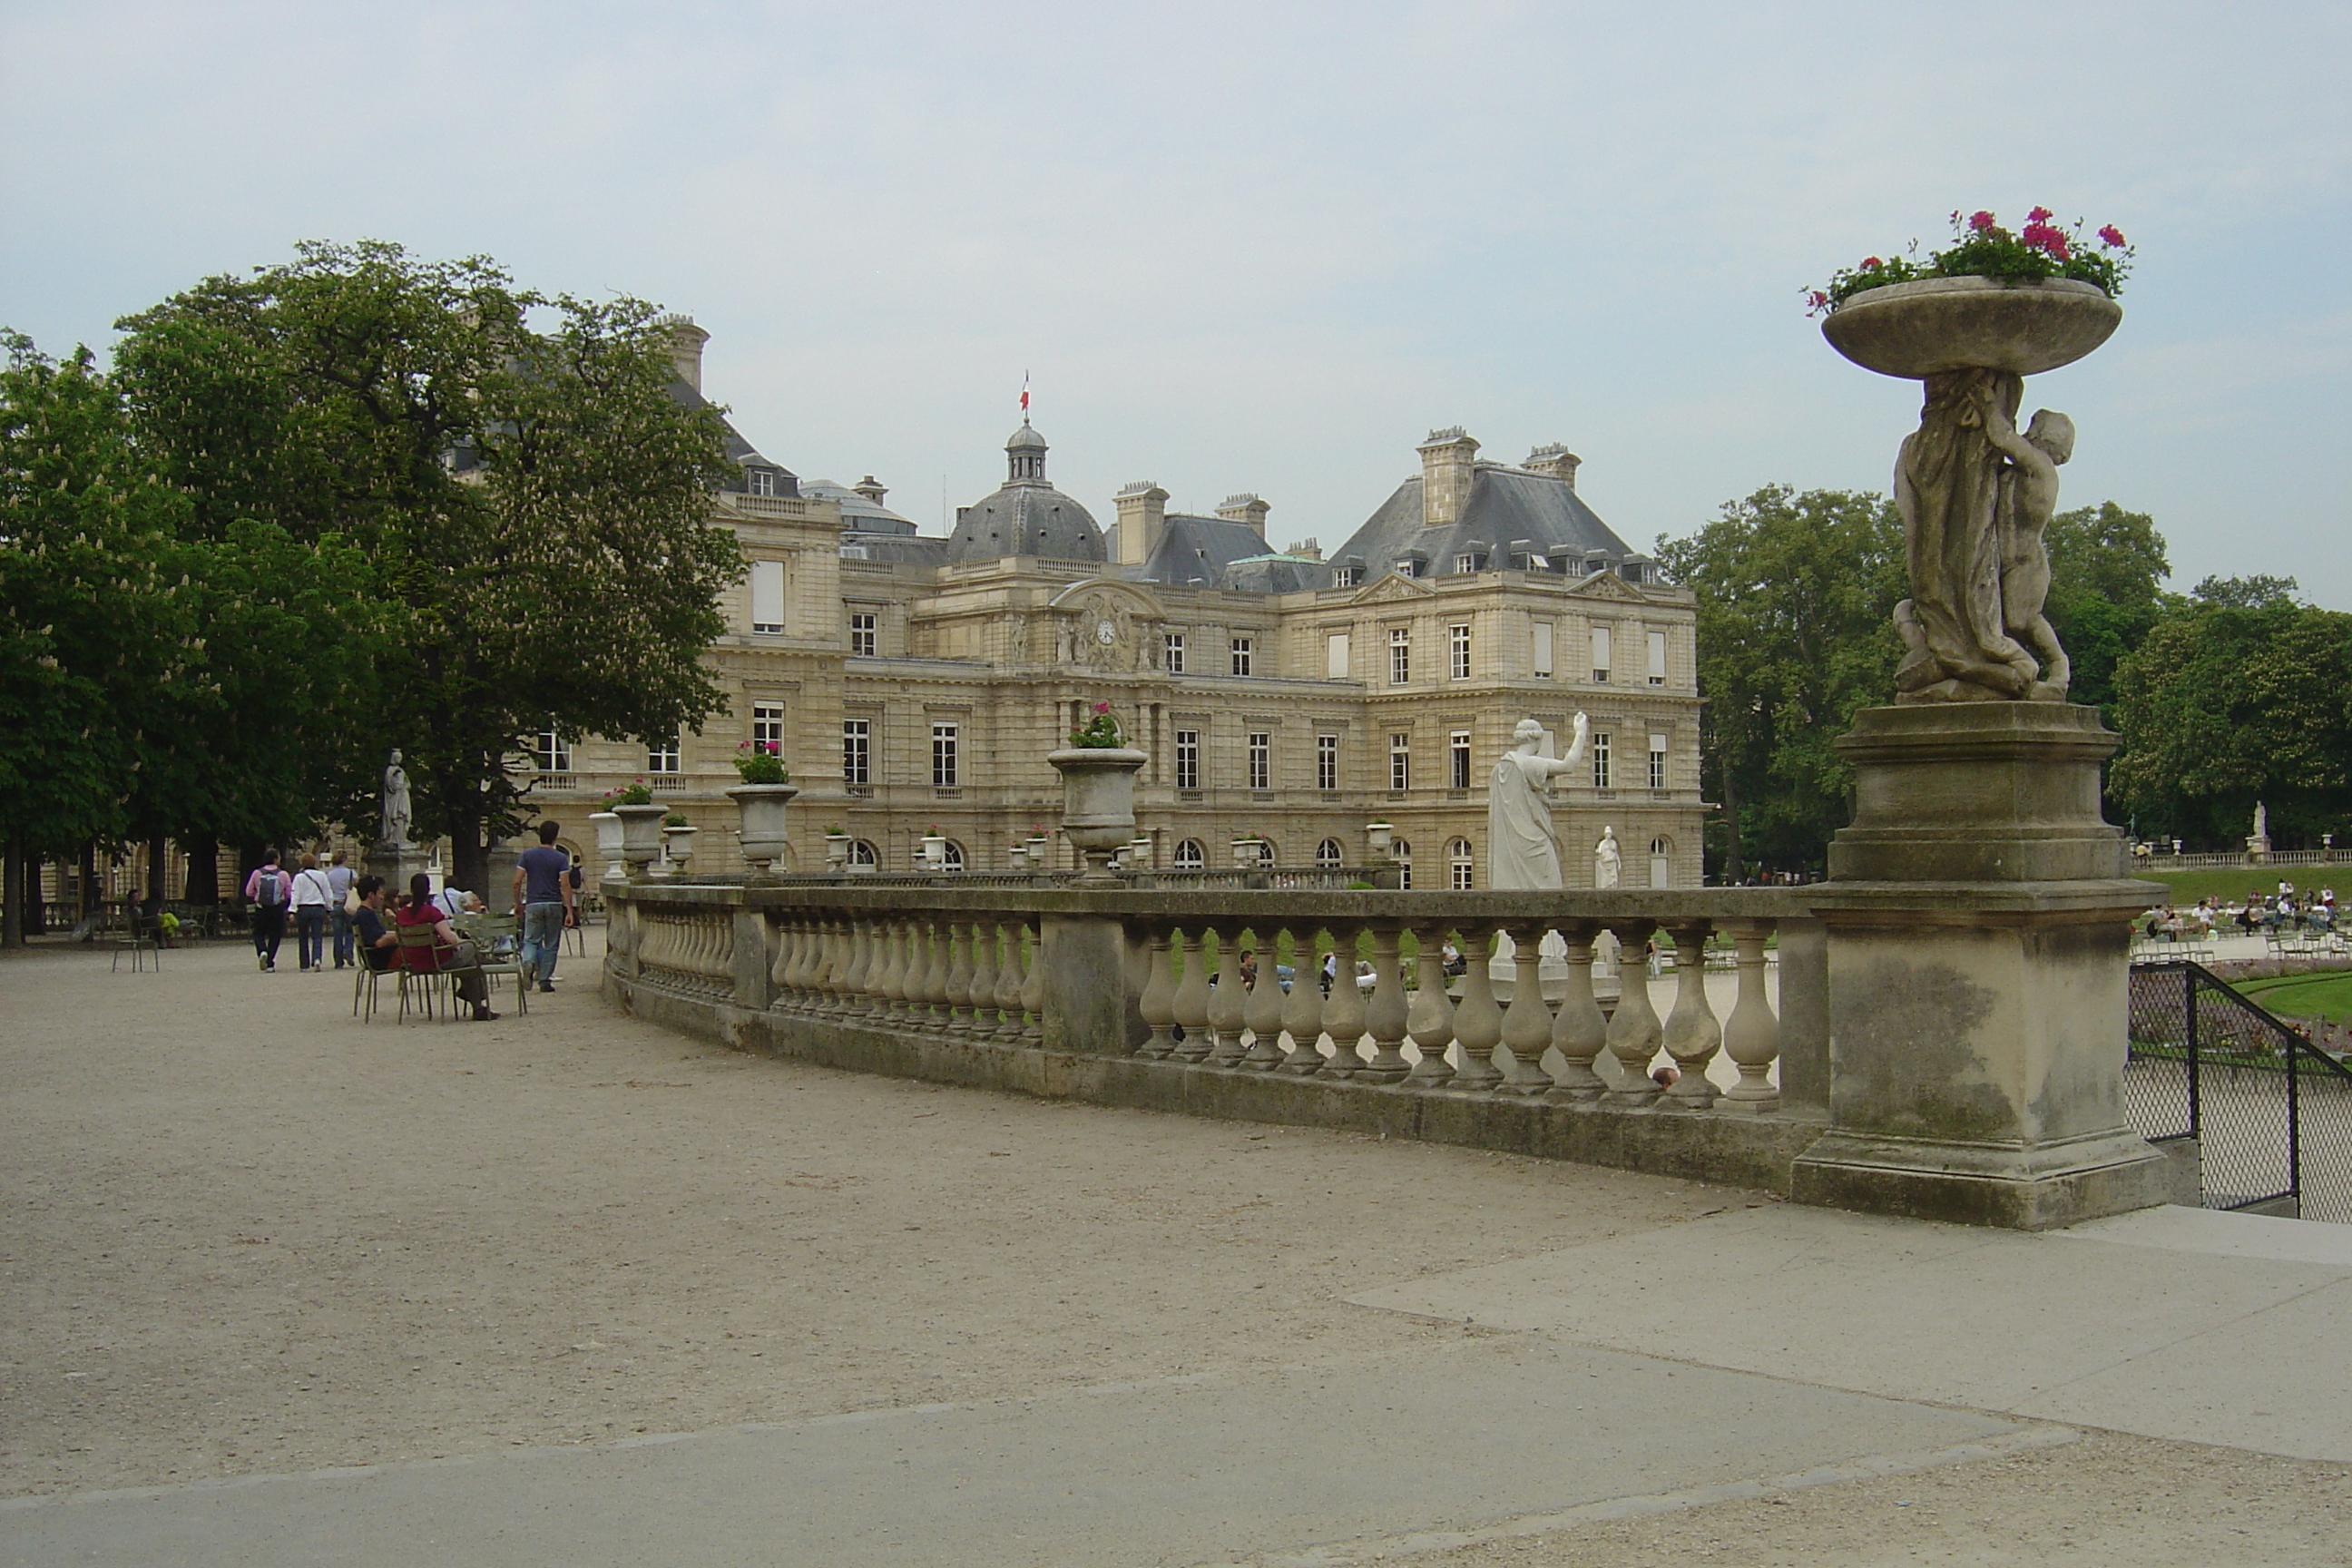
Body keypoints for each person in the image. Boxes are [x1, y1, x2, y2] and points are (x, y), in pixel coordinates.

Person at [1486, 715, 1590, 888]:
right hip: (1533, 842)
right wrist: (1581, 732)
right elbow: (1568, 765)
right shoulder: (1529, 764)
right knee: (1550, 888)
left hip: (1509, 845)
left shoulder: (1499, 768)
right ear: (1537, 739)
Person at [394, 872, 497, 1021]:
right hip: (436, 960)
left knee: (468, 963)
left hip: (413, 961)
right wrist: (459, 941)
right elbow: (450, 939)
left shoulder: (401, 915)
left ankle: (477, 1006)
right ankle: (477, 1000)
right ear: (428, 890)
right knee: (471, 947)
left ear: (411, 890)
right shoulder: (431, 912)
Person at [512, 819, 576, 993]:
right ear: (555, 837)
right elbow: (564, 885)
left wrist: (518, 903)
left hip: (533, 903)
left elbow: (516, 882)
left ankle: (528, 963)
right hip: (554, 903)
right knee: (551, 943)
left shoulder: (527, 855)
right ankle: (545, 980)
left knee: (531, 940)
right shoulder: (560, 858)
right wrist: (569, 910)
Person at [244, 850, 293, 972]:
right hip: (277, 908)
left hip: (261, 908)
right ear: (276, 859)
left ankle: (262, 951)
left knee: (258, 933)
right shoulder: (283, 874)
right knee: (275, 935)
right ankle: (270, 963)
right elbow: (288, 893)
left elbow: (248, 892)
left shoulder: (257, 873)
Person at [289, 852, 335, 972]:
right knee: (317, 936)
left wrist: (292, 910)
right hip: (318, 907)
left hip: (303, 908)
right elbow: (328, 893)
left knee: (303, 937)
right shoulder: (322, 875)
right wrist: (329, 908)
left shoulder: (299, 877)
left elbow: (295, 894)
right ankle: (317, 959)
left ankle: (304, 964)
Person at [325, 849, 358, 969]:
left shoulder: (329, 874)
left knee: (337, 934)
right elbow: (356, 884)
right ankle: (348, 951)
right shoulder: (350, 872)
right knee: (350, 931)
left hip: (335, 903)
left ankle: (338, 962)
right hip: (348, 903)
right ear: (344, 860)